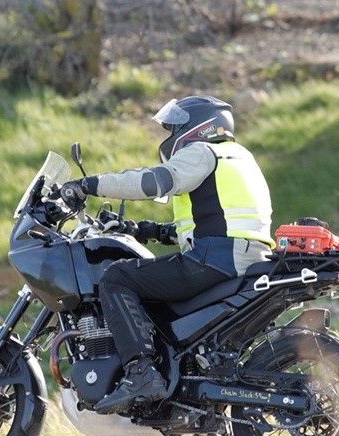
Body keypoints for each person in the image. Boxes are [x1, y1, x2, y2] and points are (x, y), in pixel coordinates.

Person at [59, 95, 274, 414]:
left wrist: (88, 185)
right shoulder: (238, 157)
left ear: (199, 126)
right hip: (244, 256)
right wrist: (142, 229)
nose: (171, 135)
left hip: (216, 259)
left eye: (175, 127)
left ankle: (141, 372)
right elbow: (214, 222)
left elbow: (152, 182)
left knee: (117, 277)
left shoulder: (202, 152)